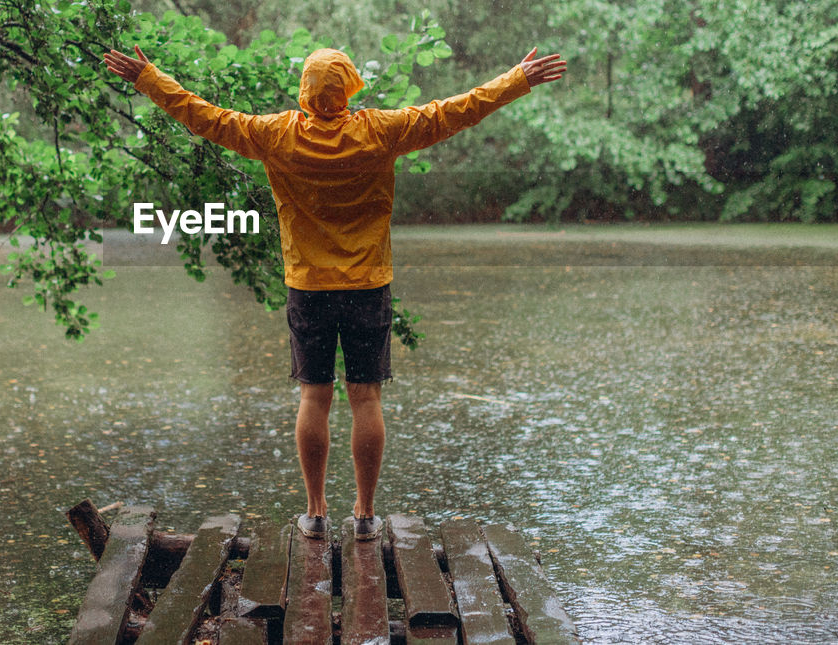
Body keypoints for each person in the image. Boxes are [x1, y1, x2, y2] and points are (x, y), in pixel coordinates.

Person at [104, 43, 566, 541]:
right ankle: (366, 516)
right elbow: (456, 111)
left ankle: (317, 511)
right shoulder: (380, 131)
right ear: (348, 89)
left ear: (305, 91)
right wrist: (517, 79)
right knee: (365, 397)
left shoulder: (275, 135)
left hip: (309, 287)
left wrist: (148, 78)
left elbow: (204, 117)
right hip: (368, 286)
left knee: (314, 396)